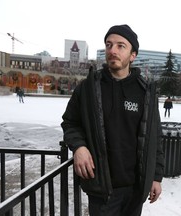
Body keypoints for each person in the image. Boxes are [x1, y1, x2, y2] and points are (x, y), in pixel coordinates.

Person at [61, 24, 164, 216]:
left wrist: (156, 176)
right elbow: (70, 122)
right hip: (102, 190)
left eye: (120, 46)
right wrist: (79, 147)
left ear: (133, 55)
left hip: (135, 189)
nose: (112, 50)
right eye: (109, 45)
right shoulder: (88, 88)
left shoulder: (145, 92)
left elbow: (155, 136)